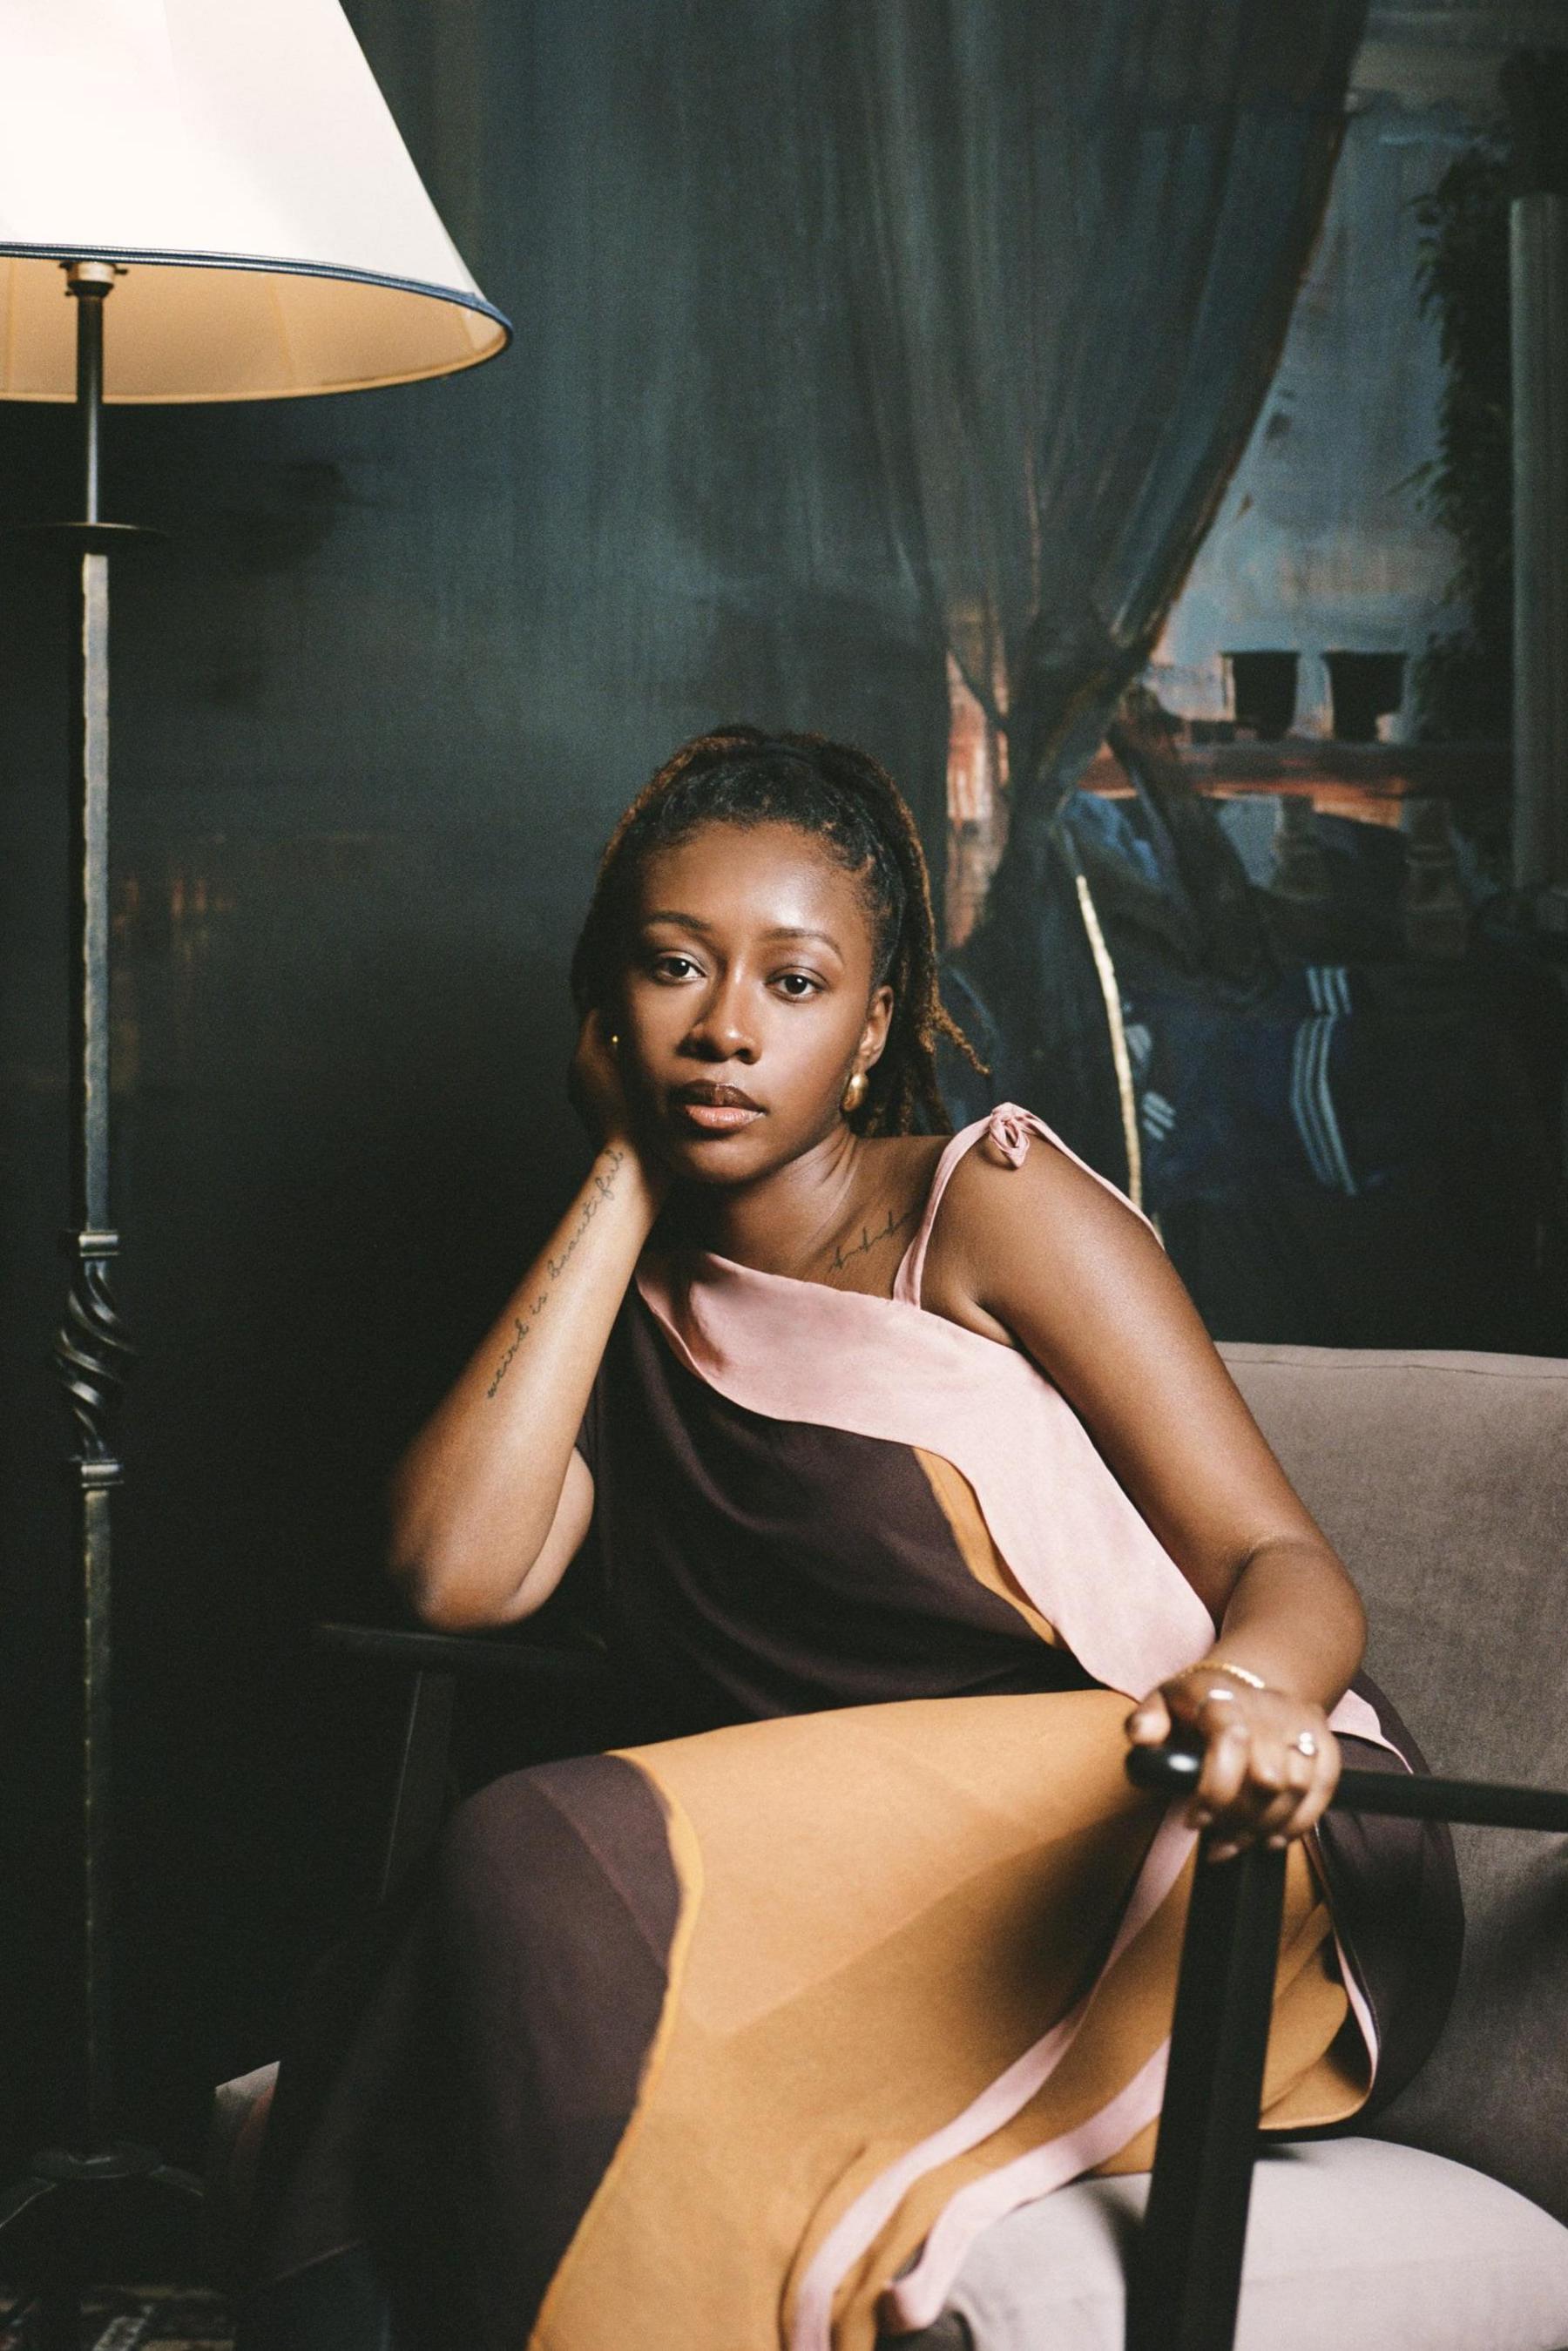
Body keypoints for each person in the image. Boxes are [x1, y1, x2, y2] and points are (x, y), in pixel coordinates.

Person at [237, 725, 1460, 2351]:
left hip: (1206, 1833)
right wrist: (623, 1172)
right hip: (865, 1887)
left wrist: (1253, 1698)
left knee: (530, 1855)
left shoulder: (987, 1205)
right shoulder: (617, 1306)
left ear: (876, 1026)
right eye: (674, 971)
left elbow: (1281, 1564)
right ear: (603, 1010)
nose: (727, 1031)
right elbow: (451, 1574)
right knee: (449, 1981)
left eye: (797, 985)